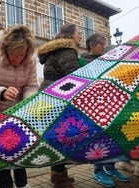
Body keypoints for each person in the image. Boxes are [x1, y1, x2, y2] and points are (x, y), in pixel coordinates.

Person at [0, 25, 38, 188]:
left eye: (22, 55)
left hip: (19, 112)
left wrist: (29, 100)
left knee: (21, 148)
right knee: (1, 151)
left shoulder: (30, 60)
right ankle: (6, 185)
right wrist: (2, 93)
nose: (18, 59)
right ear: (5, 49)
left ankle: (23, 184)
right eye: (14, 55)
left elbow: (31, 86)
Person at [81, 33, 129, 187]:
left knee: (114, 136)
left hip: (110, 105)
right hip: (93, 107)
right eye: (101, 44)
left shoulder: (107, 60)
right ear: (92, 45)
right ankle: (98, 171)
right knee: (99, 138)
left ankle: (111, 167)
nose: (104, 47)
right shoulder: (82, 61)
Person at [37, 23, 82, 188]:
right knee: (63, 137)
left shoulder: (54, 52)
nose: (80, 36)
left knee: (57, 136)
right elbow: (75, 75)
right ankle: (59, 179)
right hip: (59, 98)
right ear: (70, 35)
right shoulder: (67, 50)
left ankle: (59, 174)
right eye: (78, 33)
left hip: (50, 95)